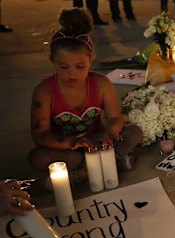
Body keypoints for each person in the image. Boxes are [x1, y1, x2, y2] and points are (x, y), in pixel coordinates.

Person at [27, 8, 143, 185]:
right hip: (68, 148)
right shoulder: (45, 91)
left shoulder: (101, 83)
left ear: (91, 60)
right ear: (53, 61)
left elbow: (115, 118)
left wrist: (110, 133)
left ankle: (82, 174)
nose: (72, 74)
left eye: (80, 66)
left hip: (97, 141)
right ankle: (112, 163)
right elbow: (40, 135)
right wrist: (71, 142)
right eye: (64, 67)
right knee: (37, 158)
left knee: (134, 131)